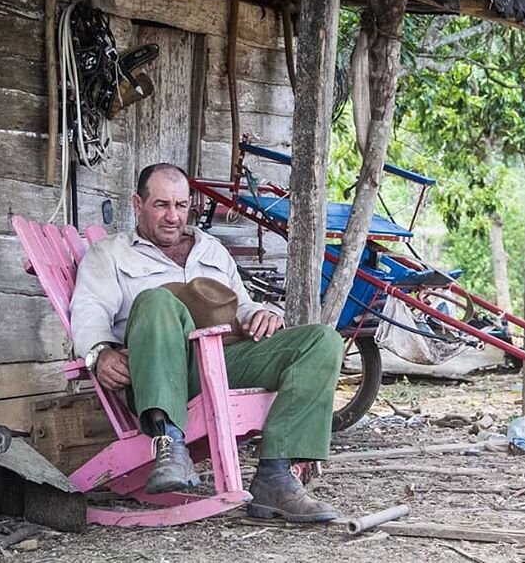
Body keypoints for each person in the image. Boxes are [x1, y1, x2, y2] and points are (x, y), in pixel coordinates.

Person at [70, 163, 344, 523]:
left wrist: (259, 314)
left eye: (181, 205)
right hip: (157, 375)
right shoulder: (110, 255)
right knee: (157, 299)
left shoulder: (211, 250)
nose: (173, 216)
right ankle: (169, 444)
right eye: (161, 205)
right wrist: (99, 352)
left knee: (322, 340)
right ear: (138, 204)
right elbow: (88, 311)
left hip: (221, 363)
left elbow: (240, 305)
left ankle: (275, 478)